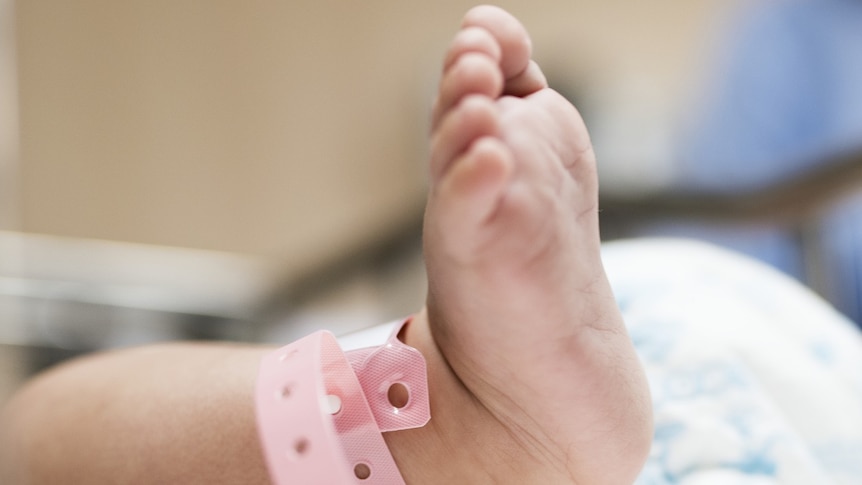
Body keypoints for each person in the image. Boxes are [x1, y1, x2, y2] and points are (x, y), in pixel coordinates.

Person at [1, 5, 659, 483]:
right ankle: (441, 420)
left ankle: (444, 420)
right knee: (26, 437)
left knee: (23, 440)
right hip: (705, 324)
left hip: (687, 307)